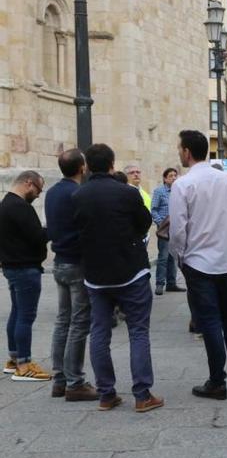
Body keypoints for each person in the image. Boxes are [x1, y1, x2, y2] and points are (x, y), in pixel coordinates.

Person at [71, 144, 163, 411]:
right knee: (137, 330)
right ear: (112, 165)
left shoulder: (78, 195)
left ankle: (106, 394)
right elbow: (144, 222)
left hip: (95, 274)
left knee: (99, 332)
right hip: (130, 270)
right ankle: (142, 394)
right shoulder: (127, 193)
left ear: (87, 166)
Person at [169, 130, 227, 400]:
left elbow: (178, 229)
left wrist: (180, 256)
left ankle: (217, 380)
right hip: (226, 260)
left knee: (210, 322)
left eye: (180, 149)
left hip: (198, 261)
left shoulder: (182, 185)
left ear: (186, 152)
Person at [45, 150, 99, 399]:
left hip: (60, 262)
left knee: (62, 321)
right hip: (77, 263)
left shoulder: (54, 192)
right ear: (82, 168)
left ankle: (60, 378)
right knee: (78, 323)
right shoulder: (76, 194)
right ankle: (75, 382)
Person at [0, 170, 50, 381]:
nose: (38, 195)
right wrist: (52, 229)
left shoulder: (5, 204)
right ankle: (24, 364)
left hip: (12, 266)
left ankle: (14, 358)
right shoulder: (20, 207)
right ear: (29, 183)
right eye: (38, 189)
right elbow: (37, 237)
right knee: (25, 316)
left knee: (17, 312)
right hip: (25, 268)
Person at [150, 168, 184, 296]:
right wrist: (161, 223)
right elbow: (153, 209)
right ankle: (160, 283)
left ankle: (172, 283)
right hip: (165, 229)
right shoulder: (160, 191)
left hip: (176, 229)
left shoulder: (179, 190)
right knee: (163, 257)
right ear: (165, 179)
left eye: (175, 175)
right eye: (170, 176)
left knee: (173, 257)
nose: (174, 178)